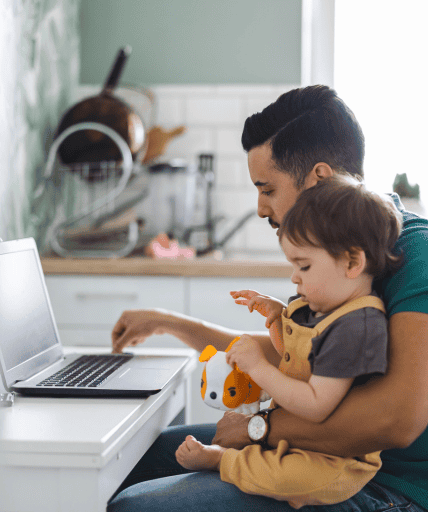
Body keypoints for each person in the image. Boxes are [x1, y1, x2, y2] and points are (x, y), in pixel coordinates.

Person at [108, 85, 428, 512]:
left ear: (320, 179)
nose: (261, 208)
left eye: (268, 188)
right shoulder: (334, 250)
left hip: (384, 488)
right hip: (318, 457)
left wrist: (259, 427)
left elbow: (398, 419)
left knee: (139, 505)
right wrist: (172, 324)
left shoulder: (415, 254)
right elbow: (297, 357)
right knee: (138, 455)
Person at [175, 175, 402, 508]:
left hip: (333, 461)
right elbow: (307, 364)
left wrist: (259, 368)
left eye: (305, 266)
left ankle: (222, 461)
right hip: (303, 439)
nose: (295, 277)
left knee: (288, 478)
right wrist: (280, 323)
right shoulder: (329, 308)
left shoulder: (356, 327)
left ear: (353, 262)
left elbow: (315, 402)